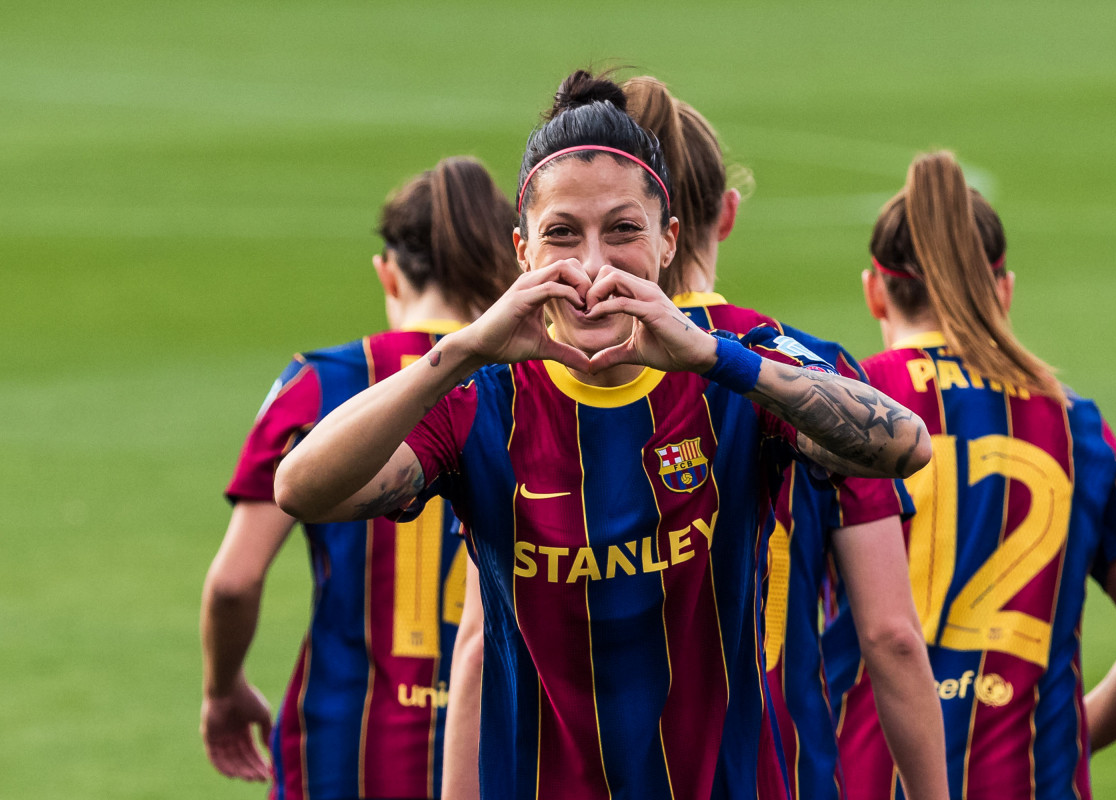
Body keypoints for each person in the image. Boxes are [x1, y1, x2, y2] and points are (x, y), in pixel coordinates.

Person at [274, 70, 931, 800]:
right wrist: (456, 351)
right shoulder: (479, 398)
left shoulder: (735, 368)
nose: (592, 266)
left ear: (667, 240)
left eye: (623, 230)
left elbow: (906, 445)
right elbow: (301, 488)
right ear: (521, 250)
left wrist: (715, 356)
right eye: (562, 235)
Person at [823, 150, 1116, 799]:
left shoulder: (840, 406)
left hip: (859, 779)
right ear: (1004, 289)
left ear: (874, 289)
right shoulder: (1074, 423)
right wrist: (1079, 736)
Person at [623, 74, 950, 800]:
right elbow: (892, 636)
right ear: (727, 213)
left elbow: (486, 646)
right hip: (773, 770)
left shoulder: (555, 372)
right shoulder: (812, 374)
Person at [199, 157, 520, 800]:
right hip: (506, 744)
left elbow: (235, 581)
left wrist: (223, 687)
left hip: (344, 744)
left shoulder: (322, 384)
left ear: (388, 272)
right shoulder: (530, 387)